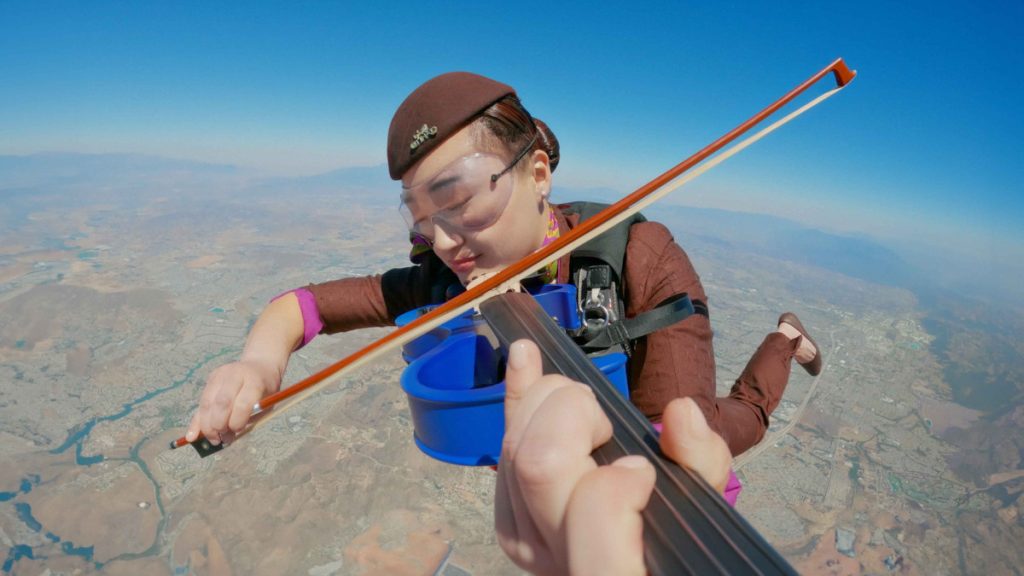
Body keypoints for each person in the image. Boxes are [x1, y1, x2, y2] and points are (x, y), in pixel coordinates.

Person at [185, 71, 822, 463]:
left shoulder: (639, 257)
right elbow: (304, 306)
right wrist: (258, 364)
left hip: (658, 401)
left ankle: (785, 340)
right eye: (420, 217)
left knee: (723, 427)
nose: (442, 241)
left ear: (537, 175)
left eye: (460, 202)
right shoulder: (444, 275)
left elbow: (668, 454)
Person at [495, 339, 733, 575]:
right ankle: (774, 339)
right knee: (751, 408)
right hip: (683, 452)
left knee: (748, 406)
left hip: (664, 440)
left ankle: (773, 341)